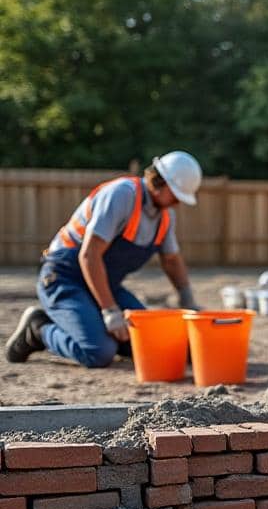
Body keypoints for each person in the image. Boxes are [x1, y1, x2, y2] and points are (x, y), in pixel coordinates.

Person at [5, 151, 204, 368]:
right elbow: (89, 255)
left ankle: (95, 327)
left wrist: (188, 301)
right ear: (160, 182)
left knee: (147, 342)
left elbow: (172, 260)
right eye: (175, 196)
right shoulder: (122, 195)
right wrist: (110, 311)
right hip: (64, 277)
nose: (177, 203)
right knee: (98, 352)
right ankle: (38, 329)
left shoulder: (164, 216)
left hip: (103, 284)